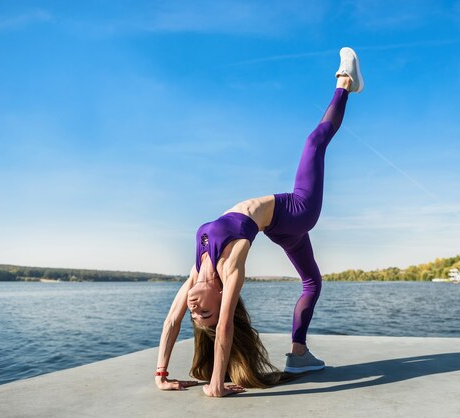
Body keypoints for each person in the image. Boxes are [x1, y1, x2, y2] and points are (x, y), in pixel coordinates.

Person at [154, 47, 364, 397]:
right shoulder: (230, 267)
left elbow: (170, 320)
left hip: (279, 228)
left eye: (198, 314)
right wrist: (216, 386)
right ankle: (346, 82)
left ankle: (298, 355)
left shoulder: (196, 273)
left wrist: (161, 374)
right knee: (314, 143)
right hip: (296, 211)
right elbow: (224, 329)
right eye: (206, 310)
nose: (194, 308)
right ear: (222, 297)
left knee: (312, 282)